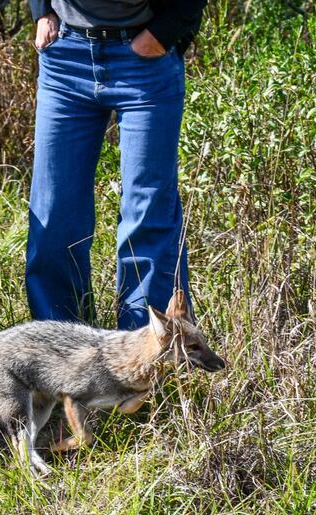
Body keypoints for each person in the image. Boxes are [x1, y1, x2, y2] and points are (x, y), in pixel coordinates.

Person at [25, 0, 207, 329]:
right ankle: (60, 349)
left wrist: (163, 33)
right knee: (52, 214)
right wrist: (42, 12)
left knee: (146, 214)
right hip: (65, 59)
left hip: (144, 64)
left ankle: (147, 349)